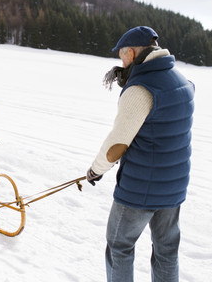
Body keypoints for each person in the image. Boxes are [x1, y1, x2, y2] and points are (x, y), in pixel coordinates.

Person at [86, 26, 195, 282]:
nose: (121, 63)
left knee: (119, 246)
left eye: (122, 56)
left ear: (132, 53)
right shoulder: (183, 82)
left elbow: (117, 144)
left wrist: (96, 170)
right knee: (167, 251)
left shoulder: (139, 90)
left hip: (139, 190)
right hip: (174, 188)